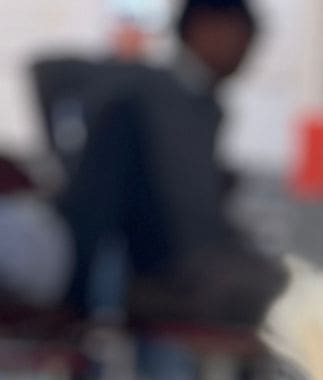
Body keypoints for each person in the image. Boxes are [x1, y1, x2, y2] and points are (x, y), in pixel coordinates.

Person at [56, 0, 284, 327]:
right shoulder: (157, 92)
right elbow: (189, 214)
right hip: (174, 273)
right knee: (300, 299)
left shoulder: (191, 99)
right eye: (243, 39)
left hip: (178, 267)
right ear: (204, 29)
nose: (247, 53)